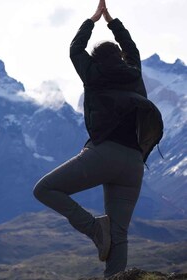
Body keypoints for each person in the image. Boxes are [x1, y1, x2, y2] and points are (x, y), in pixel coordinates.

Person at [33, 0, 163, 278]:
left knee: (44, 189)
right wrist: (112, 22)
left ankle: (94, 228)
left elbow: (75, 49)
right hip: (134, 163)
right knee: (120, 234)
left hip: (104, 153)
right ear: (119, 58)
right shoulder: (135, 75)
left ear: (96, 60)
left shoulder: (92, 74)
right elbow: (133, 49)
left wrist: (92, 20)